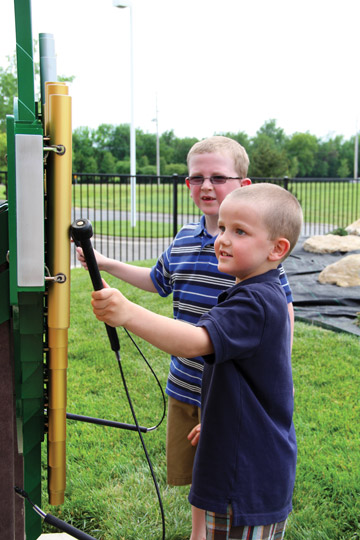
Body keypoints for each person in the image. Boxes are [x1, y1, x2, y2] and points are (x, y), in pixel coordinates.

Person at [77, 136, 294, 539]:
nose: (223, 240)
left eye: (217, 177)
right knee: (204, 484)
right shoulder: (194, 243)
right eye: (196, 178)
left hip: (237, 401)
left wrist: (126, 313)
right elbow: (160, 281)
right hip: (200, 391)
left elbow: (201, 339)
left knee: (226, 490)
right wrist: (103, 262)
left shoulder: (259, 290)